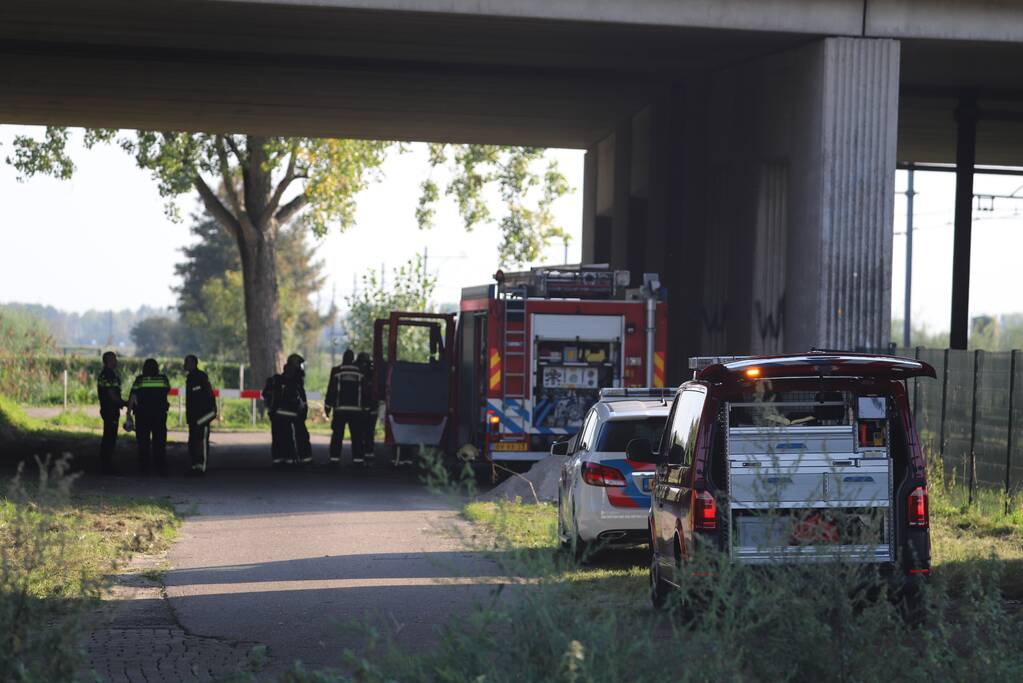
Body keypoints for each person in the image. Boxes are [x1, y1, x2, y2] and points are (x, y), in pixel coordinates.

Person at [263, 354, 312, 467]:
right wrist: (302, 414)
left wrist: (271, 411)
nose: (301, 368)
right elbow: (302, 402)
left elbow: (265, 394)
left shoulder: (276, 380)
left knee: (278, 439)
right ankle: (295, 461)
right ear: (295, 366)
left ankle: (278, 461)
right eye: (300, 365)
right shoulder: (296, 382)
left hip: (276, 415)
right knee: (294, 438)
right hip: (292, 416)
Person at [127, 358, 171, 475]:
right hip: (159, 415)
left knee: (143, 442)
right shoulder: (163, 379)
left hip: (142, 416)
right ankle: (160, 468)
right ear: (157, 368)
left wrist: (128, 414)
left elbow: (132, 397)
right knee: (160, 442)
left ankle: (144, 468)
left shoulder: (140, 380)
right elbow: (167, 391)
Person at [325, 349, 367, 466]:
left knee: (337, 436)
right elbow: (365, 392)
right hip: (356, 410)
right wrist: (366, 408)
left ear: (343, 358)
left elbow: (331, 390)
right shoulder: (361, 372)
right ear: (353, 359)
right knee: (357, 436)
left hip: (340, 409)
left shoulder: (336, 371)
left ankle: (334, 459)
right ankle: (358, 460)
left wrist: (328, 406)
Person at [184, 354, 217, 475]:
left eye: (187, 362)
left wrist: (206, 413)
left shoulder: (200, 377)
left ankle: (201, 467)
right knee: (192, 442)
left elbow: (207, 397)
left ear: (193, 364)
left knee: (201, 441)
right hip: (194, 417)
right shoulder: (190, 378)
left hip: (203, 415)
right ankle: (194, 466)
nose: (184, 365)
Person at [96, 351, 127, 474]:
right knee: (110, 437)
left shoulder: (106, 374)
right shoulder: (109, 375)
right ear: (108, 361)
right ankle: (106, 466)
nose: (116, 361)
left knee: (108, 436)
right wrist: (124, 403)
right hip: (110, 410)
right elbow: (112, 395)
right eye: (114, 359)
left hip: (108, 409)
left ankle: (105, 464)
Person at [355, 351, 377, 463]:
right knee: (369, 433)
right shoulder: (373, 373)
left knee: (361, 433)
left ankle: (363, 456)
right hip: (371, 409)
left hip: (362, 408)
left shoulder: (358, 373)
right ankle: (368, 455)